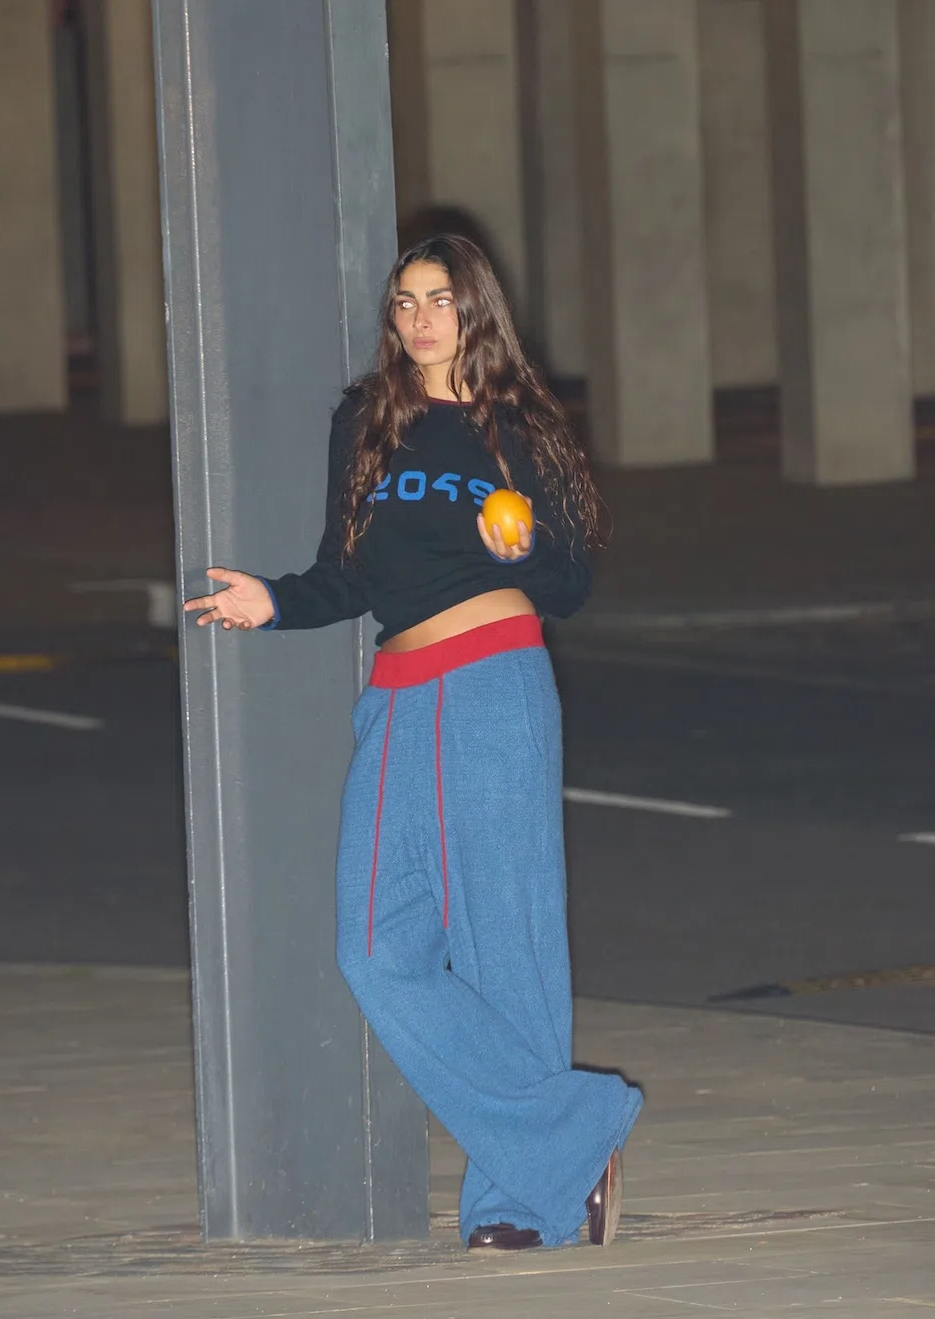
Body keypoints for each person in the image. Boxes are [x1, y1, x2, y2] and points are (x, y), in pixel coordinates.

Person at [184, 234, 642, 1251]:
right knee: (374, 949)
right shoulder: (367, 420)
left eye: (440, 299)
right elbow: (347, 573)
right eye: (405, 301)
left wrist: (520, 546)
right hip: (396, 699)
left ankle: (518, 1203)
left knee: (506, 946)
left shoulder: (518, 426)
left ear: (477, 311)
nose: (420, 318)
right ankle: (576, 1129)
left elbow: (569, 583)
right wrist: (274, 602)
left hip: (493, 687)